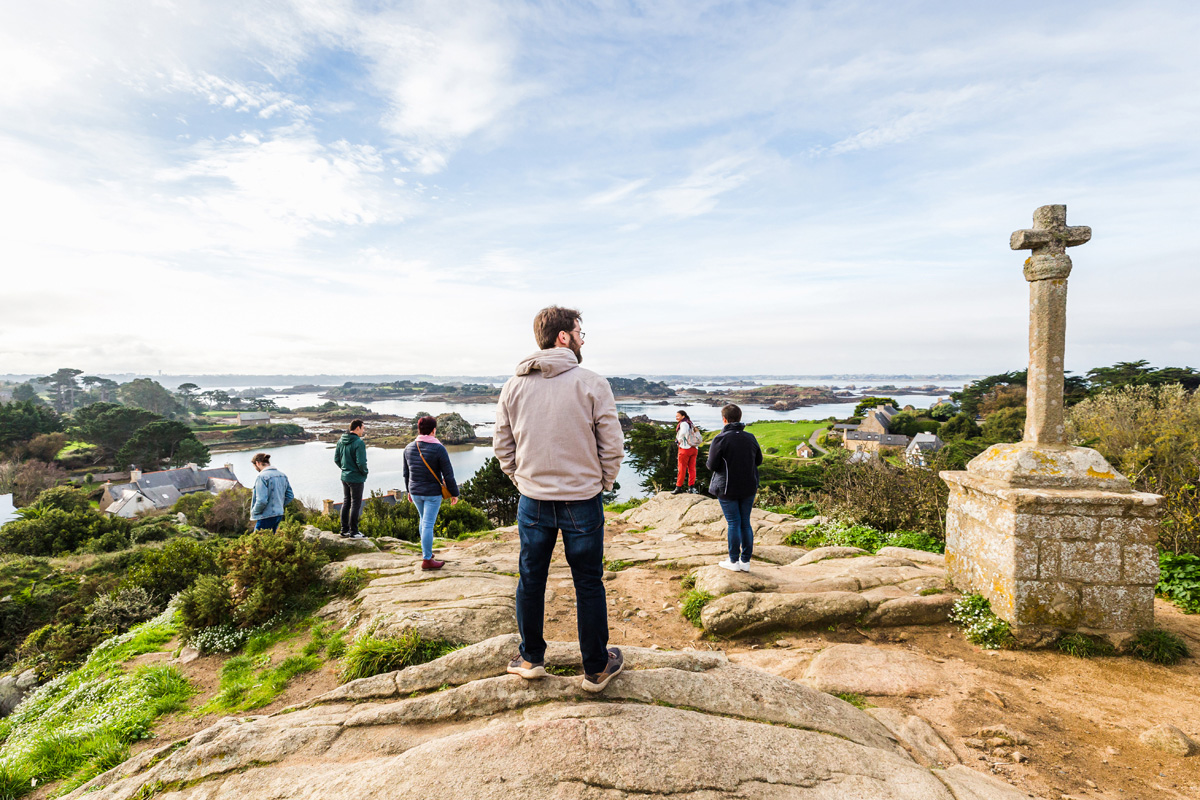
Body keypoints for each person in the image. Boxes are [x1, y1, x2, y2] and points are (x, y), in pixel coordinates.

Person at [494, 305, 626, 692]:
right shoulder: (592, 383)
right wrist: (602, 482)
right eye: (580, 332)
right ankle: (596, 668)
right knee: (588, 582)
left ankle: (531, 658)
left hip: (533, 499)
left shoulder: (513, 385)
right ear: (563, 337)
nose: (584, 339)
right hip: (582, 499)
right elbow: (612, 445)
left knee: (531, 579)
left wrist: (521, 479)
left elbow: (502, 445)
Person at [706, 403, 762, 572]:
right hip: (749, 485)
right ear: (739, 418)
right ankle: (745, 562)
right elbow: (758, 461)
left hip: (727, 486)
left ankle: (733, 561)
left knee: (733, 523)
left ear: (724, 419)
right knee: (745, 522)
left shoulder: (720, 439)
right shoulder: (750, 437)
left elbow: (712, 465)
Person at [403, 416, 459, 571]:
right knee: (428, 524)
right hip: (432, 493)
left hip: (415, 491)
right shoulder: (439, 448)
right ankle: (427, 560)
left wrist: (408, 490)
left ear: (419, 429)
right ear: (434, 430)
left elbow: (406, 474)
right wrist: (454, 493)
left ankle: (426, 552)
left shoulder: (408, 447)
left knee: (423, 521)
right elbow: (448, 474)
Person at [334, 419, 368, 539]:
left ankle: (344, 530)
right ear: (357, 428)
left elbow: (336, 459)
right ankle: (354, 532)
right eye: (363, 428)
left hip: (345, 477)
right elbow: (361, 463)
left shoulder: (341, 441)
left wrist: (344, 468)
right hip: (356, 478)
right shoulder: (359, 442)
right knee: (355, 504)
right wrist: (364, 472)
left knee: (346, 502)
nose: (363, 431)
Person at [249, 453, 294, 532]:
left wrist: (254, 512)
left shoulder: (261, 477)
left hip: (265, 516)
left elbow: (261, 500)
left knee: (258, 542)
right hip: (279, 514)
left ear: (257, 463)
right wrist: (278, 505)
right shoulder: (282, 475)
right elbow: (290, 496)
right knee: (271, 541)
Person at [672, 409, 701, 494]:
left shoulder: (683, 423)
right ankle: (691, 488)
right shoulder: (690, 423)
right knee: (692, 469)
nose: (676, 417)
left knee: (681, 468)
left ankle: (678, 487)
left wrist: (679, 440)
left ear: (683, 416)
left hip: (685, 448)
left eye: (678, 416)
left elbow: (683, 432)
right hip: (694, 448)